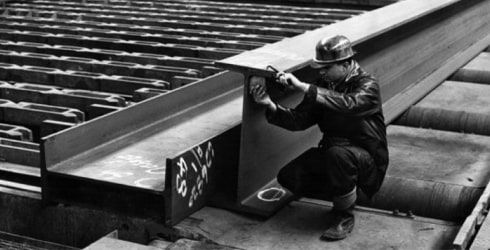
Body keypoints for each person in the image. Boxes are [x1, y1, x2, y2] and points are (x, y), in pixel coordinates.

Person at [249, 35, 389, 241]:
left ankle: (345, 215)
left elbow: (349, 104)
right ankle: (345, 195)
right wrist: (268, 104)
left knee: (338, 155)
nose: (322, 72)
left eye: (327, 67)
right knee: (289, 177)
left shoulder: (367, 85)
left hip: (366, 161)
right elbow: (298, 121)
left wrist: (304, 87)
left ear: (346, 64)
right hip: (335, 155)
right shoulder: (325, 84)